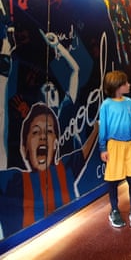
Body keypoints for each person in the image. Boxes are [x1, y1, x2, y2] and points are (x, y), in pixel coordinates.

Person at [0, 102, 98, 238]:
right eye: (35, 132)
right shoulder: (13, 180)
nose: (43, 136)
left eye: (49, 131)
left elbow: (83, 153)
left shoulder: (64, 169)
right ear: (24, 147)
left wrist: (97, 129)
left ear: (55, 144)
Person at [99, 70, 131, 228]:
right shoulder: (106, 105)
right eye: (126, 83)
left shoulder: (130, 102)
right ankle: (114, 210)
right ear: (118, 86)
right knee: (113, 179)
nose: (129, 85)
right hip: (114, 145)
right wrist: (103, 148)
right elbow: (102, 127)